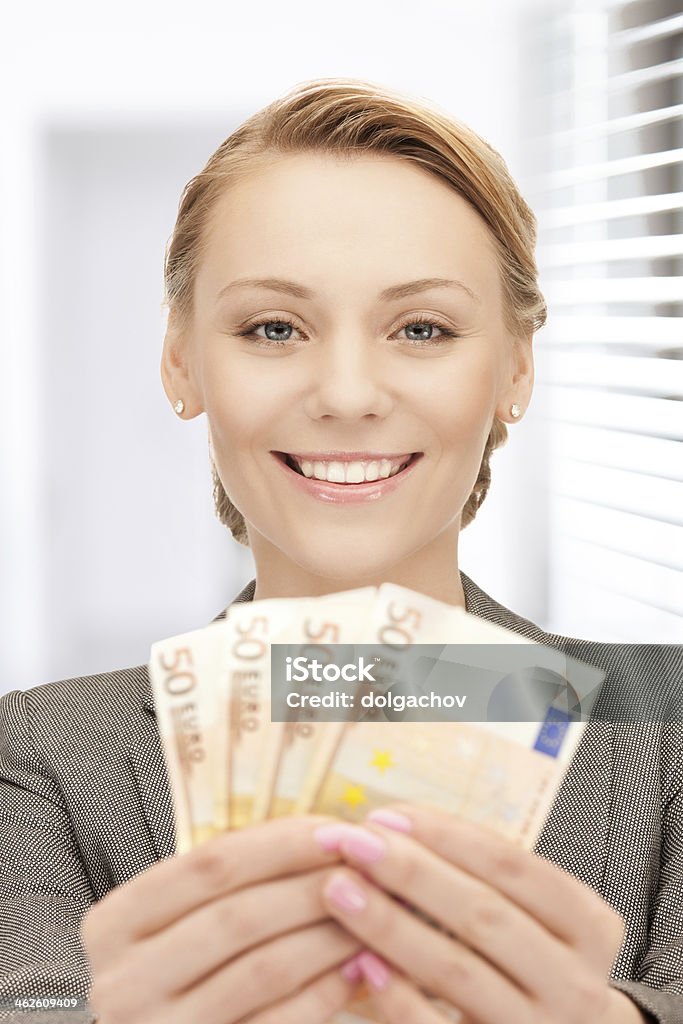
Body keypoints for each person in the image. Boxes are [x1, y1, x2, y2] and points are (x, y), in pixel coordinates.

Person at [0, 77, 681, 1024]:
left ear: (515, 368)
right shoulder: (43, 759)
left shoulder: (667, 739)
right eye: (273, 328)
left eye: (422, 329)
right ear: (182, 360)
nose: (348, 394)